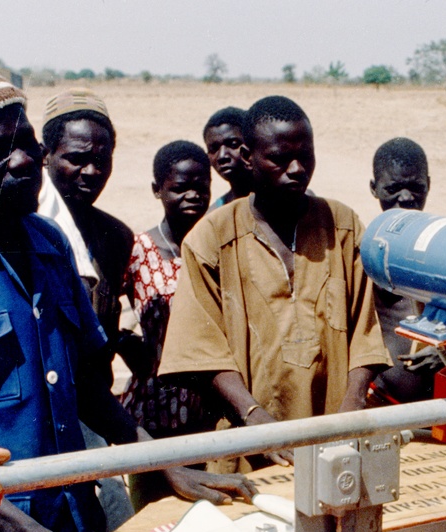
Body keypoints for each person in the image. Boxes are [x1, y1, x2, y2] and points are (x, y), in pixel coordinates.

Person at [0, 57, 254, 532]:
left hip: (74, 521)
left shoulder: (50, 244)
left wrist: (160, 460)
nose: (23, 162)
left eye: (27, 142)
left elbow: (87, 385)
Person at [160, 95, 390, 469]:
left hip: (337, 439)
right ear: (248, 157)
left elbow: (365, 333)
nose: (297, 169)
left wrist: (349, 414)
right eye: (280, 158)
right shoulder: (212, 238)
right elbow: (202, 349)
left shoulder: (343, 226)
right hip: (249, 441)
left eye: (306, 156)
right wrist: (254, 418)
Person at [121, 140, 215, 439]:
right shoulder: (138, 250)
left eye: (202, 188)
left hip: (212, 403)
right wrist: (125, 342)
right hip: (154, 405)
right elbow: (99, 312)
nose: (193, 196)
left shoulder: (219, 248)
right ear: (157, 189)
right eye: (180, 188)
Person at [38, 87, 133, 368]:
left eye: (101, 161)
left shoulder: (116, 237)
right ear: (46, 155)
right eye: (77, 159)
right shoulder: (24, 229)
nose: (91, 172)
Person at [367, 137, 438, 405]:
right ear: (374, 189)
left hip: (442, 403)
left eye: (416, 187)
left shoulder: (443, 249)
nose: (406, 197)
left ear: (428, 184)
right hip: (381, 399)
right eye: (394, 188)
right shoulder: (367, 252)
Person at [203, 106, 253, 210]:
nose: (222, 156)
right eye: (214, 149)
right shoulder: (215, 215)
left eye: (233, 144)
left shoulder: (285, 199)